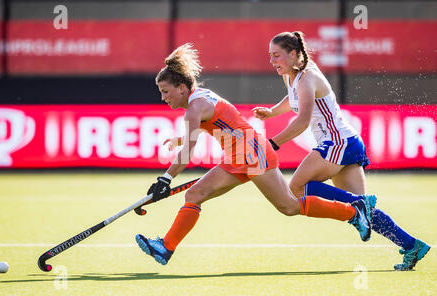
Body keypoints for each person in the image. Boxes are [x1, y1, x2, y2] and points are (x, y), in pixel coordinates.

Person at [135, 43, 376, 266]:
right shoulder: (198, 99)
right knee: (195, 194)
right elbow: (215, 126)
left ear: (182, 87)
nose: (163, 97)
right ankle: (166, 248)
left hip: (253, 154)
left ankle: (353, 213)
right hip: (237, 157)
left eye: (165, 91)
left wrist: (165, 178)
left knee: (289, 207)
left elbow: (188, 150)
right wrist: (181, 141)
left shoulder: (195, 107)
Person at [252, 31, 430, 271]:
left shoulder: (307, 77)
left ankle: (358, 203)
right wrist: (272, 112)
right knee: (367, 214)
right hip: (347, 143)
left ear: (294, 54)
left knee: (297, 187)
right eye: (270, 56)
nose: (272, 61)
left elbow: (302, 121)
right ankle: (411, 245)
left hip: (337, 143)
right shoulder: (292, 76)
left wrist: (272, 143)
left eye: (277, 56)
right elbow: (294, 99)